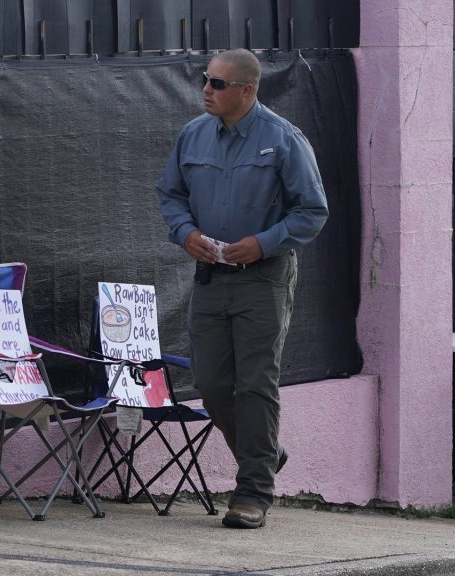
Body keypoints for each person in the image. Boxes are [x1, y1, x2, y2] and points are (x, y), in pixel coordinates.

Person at [154, 49, 328, 529]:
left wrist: (263, 243)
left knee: (255, 384)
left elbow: (311, 212)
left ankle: (253, 492)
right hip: (209, 279)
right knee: (211, 386)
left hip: (263, 279)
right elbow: (170, 195)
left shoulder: (284, 139)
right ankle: (266, 452)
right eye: (205, 80)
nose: (206, 89)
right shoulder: (192, 135)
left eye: (218, 83)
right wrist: (184, 232)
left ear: (248, 90)